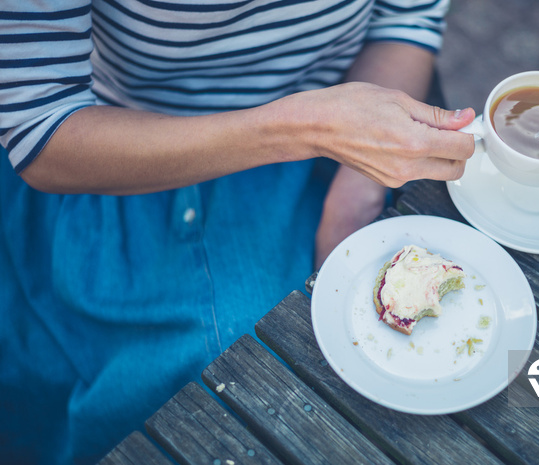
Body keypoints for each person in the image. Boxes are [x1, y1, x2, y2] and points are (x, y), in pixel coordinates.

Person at [0, 1, 475, 463]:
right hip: (133, 155)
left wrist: (357, 193)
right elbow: (42, 126)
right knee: (222, 385)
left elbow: (405, 16)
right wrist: (301, 130)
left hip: (340, 140)